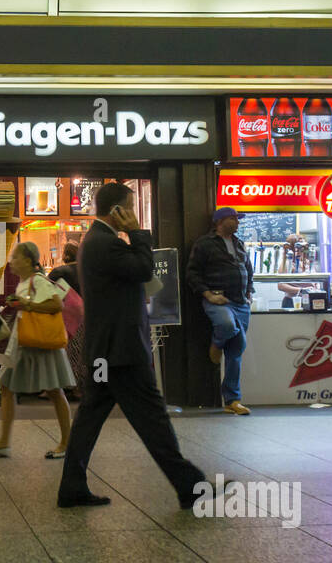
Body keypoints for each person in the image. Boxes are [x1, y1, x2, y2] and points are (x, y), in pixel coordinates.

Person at [58, 183, 216, 509]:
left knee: (90, 419)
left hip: (106, 350)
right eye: (130, 207)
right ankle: (190, 486)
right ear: (117, 210)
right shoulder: (106, 243)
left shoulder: (96, 242)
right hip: (122, 352)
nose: (133, 214)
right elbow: (145, 267)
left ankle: (72, 487)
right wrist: (138, 234)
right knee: (153, 419)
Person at [0, 241, 75, 459]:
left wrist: (27, 305)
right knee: (7, 387)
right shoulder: (24, 283)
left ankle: (67, 442)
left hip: (41, 345)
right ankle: (3, 441)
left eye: (15, 257)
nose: (11, 261)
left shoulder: (38, 281)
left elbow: (56, 305)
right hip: (25, 344)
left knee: (54, 391)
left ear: (29, 261)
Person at [185, 207, 255, 415]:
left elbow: (249, 270)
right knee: (226, 325)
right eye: (234, 219)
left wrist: (249, 292)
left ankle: (232, 400)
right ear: (220, 221)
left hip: (241, 302)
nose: (238, 222)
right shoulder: (204, 244)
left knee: (237, 350)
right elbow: (192, 273)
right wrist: (208, 295)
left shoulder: (239, 243)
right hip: (218, 300)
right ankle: (216, 344)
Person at [49, 242, 84, 401]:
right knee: (80, 351)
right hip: (86, 315)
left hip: (64, 316)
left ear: (65, 255)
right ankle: (79, 385)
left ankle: (64, 385)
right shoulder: (87, 271)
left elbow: (47, 292)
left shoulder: (58, 272)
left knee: (64, 350)